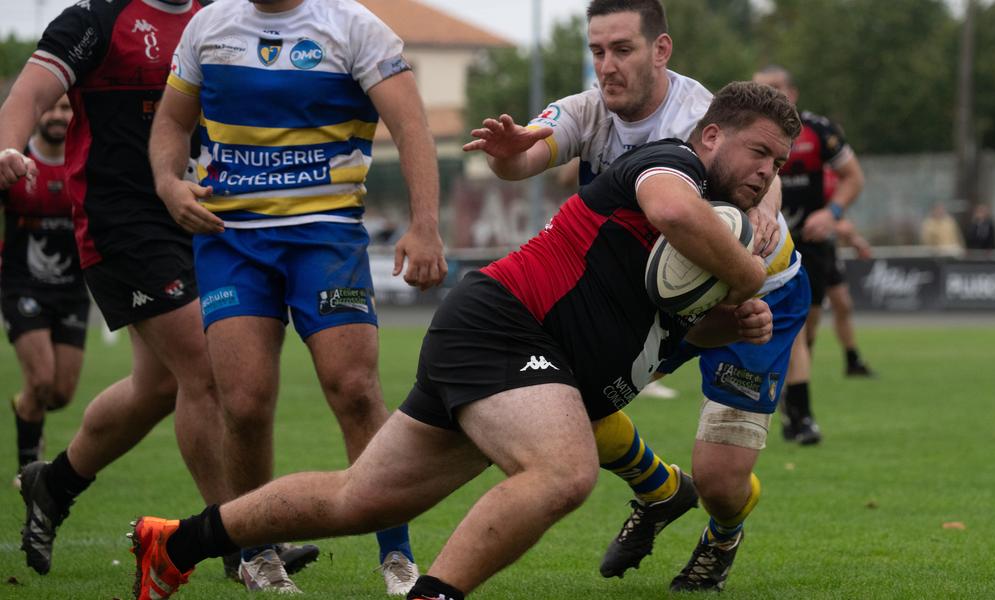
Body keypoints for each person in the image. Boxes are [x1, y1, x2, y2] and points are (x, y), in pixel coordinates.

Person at [128, 80, 798, 600]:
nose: (768, 171)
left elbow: (662, 315)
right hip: (506, 330)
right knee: (564, 472)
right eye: (759, 151)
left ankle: (175, 544)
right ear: (711, 137)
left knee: (357, 500)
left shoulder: (713, 232)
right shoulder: (673, 164)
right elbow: (672, 209)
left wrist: (727, 323)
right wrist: (746, 277)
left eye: (779, 162)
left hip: (515, 352)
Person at [465, 1, 801, 589]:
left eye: (622, 50)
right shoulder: (589, 109)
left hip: (756, 300)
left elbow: (762, 181)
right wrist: (507, 153)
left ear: (660, 50)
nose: (607, 66)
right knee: (562, 399)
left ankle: (722, 535)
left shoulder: (701, 118)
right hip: (664, 301)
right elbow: (525, 157)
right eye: (597, 52)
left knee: (722, 483)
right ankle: (661, 490)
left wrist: (765, 208)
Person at [150, 0, 446, 593]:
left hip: (325, 238)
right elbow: (172, 124)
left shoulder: (355, 27)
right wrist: (167, 183)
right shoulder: (209, 27)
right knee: (245, 402)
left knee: (355, 390)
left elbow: (411, 126)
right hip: (232, 243)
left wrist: (425, 224)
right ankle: (258, 554)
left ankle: (396, 556)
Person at [0, 0, 245, 578]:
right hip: (120, 221)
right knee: (203, 370)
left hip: (193, 213)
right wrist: (10, 147)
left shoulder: (216, 17)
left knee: (157, 387)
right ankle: (239, 542)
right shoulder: (96, 20)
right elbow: (28, 97)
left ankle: (53, 483)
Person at [753, 65, 871, 446]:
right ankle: (801, 417)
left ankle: (791, 396)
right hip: (760, 242)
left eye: (775, 89)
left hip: (811, 241)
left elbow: (854, 177)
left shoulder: (819, 131)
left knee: (809, 326)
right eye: (760, 89)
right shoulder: (741, 133)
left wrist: (832, 213)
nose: (769, 96)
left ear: (793, 92)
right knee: (794, 329)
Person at [2, 96, 88, 484]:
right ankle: (28, 471)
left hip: (72, 291)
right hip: (23, 286)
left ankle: (25, 408)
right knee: (41, 379)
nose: (57, 116)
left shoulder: (84, 162)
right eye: (50, 108)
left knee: (60, 394)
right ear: (36, 114)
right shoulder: (13, 163)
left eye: (66, 108)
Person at [820, 164, 876, 379]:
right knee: (807, 316)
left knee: (843, 305)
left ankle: (852, 360)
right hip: (806, 250)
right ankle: (795, 370)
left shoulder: (834, 176)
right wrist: (839, 228)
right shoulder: (807, 171)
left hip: (828, 251)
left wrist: (855, 240)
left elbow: (837, 219)